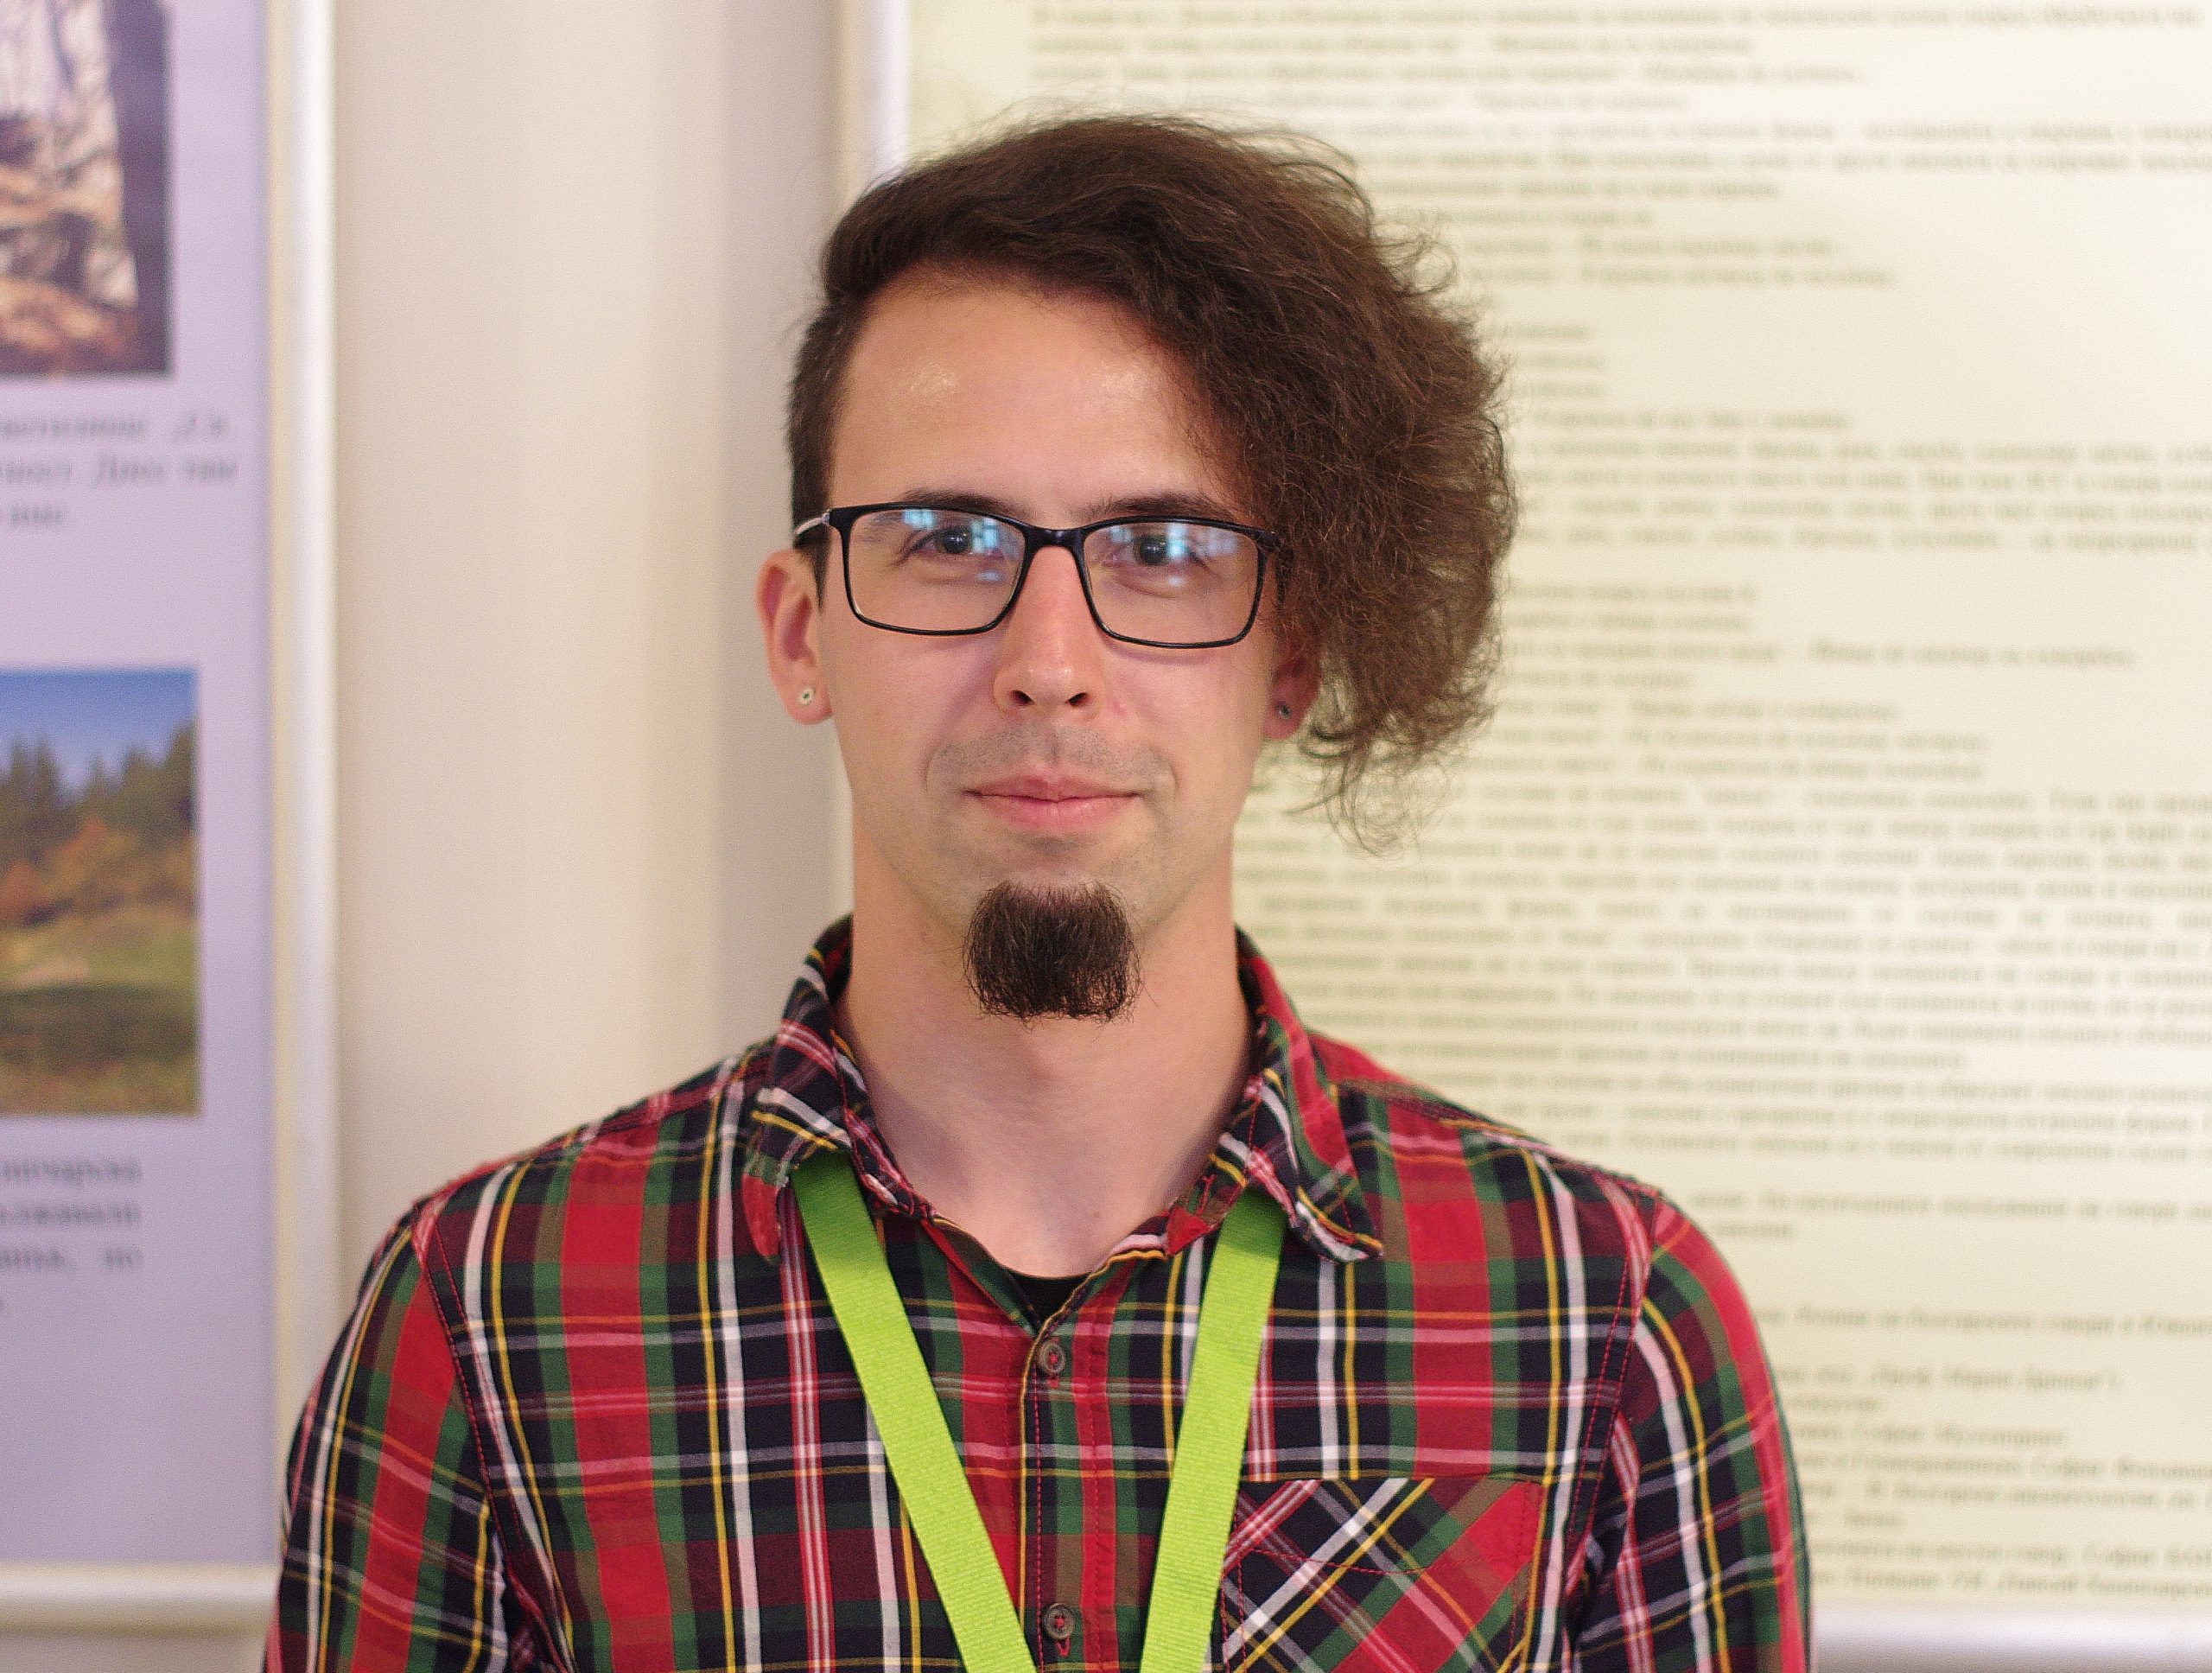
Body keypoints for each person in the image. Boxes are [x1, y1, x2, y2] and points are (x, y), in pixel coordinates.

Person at [269, 115, 1809, 1673]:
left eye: (1163, 548)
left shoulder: (1605, 1319)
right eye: (948, 540)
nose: (1050, 665)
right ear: (803, 636)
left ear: (1290, 658)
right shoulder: (488, 1320)